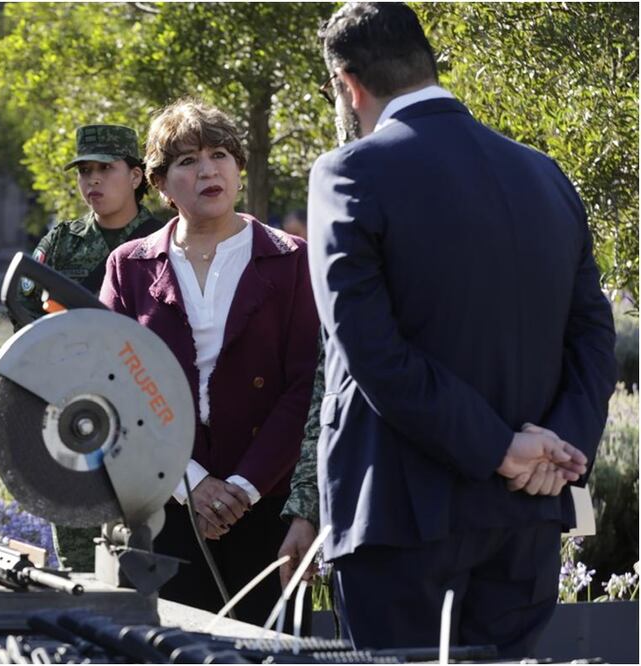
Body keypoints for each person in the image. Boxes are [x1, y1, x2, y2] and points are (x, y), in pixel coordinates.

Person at [308, 3, 616, 656]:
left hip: (397, 513)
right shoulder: (543, 173)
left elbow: (372, 351)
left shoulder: (348, 173)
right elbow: (592, 334)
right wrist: (557, 447)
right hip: (525, 515)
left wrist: (498, 448)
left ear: (347, 84)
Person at [99, 99, 320, 626]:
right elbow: (114, 387)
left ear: (238, 167)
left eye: (220, 154)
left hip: (269, 504)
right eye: (187, 160)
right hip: (164, 503)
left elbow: (306, 387)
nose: (208, 170)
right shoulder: (129, 267)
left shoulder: (291, 260)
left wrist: (242, 488)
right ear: (159, 182)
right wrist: (190, 482)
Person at [12, 124, 166, 572]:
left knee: (142, 555)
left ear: (136, 176)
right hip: (75, 414)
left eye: (106, 169)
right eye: (84, 172)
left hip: (144, 417)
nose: (92, 181)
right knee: (78, 556)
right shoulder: (63, 242)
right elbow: (24, 303)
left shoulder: (161, 240)